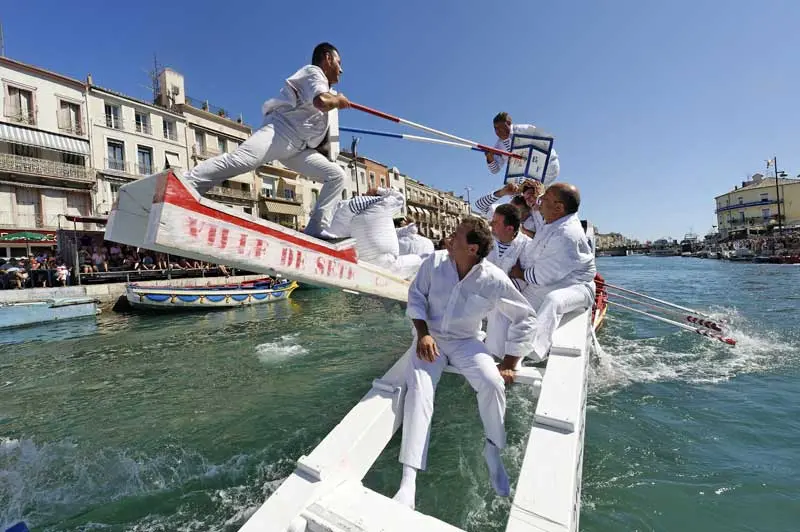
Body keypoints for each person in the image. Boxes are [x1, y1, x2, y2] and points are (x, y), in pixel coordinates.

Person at [394, 217, 537, 509]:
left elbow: (526, 315)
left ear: (471, 249)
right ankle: (408, 481)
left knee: (491, 382)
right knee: (421, 390)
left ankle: (492, 450)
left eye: (457, 235)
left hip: (465, 341)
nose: (449, 237)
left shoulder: (493, 279)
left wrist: (510, 360)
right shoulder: (434, 262)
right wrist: (422, 334)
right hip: (429, 337)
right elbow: (416, 296)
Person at [183, 42, 351, 238]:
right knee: (242, 160)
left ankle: (316, 228)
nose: (342, 69)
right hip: (280, 131)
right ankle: (187, 183)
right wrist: (338, 101)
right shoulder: (314, 73)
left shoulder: (325, 89)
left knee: (337, 176)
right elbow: (320, 102)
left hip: (299, 148)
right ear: (328, 58)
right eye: (339, 62)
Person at [510, 183, 596, 362]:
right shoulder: (553, 221)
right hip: (552, 281)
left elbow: (541, 276)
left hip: (577, 286)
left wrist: (518, 273)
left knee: (554, 300)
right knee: (516, 306)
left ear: (558, 207)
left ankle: (534, 352)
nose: (540, 202)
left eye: (545, 199)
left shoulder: (566, 234)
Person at [349, 187, 423, 279]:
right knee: (418, 260)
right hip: (386, 265)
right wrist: (378, 190)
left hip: (364, 265)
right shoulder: (382, 206)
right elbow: (400, 197)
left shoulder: (354, 218)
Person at [485, 112, 560, 185]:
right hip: (529, 178)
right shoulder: (498, 146)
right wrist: (489, 157)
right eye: (495, 128)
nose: (498, 131)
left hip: (548, 167)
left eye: (500, 127)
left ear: (508, 123)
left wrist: (525, 153)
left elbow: (547, 141)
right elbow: (495, 170)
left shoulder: (525, 129)